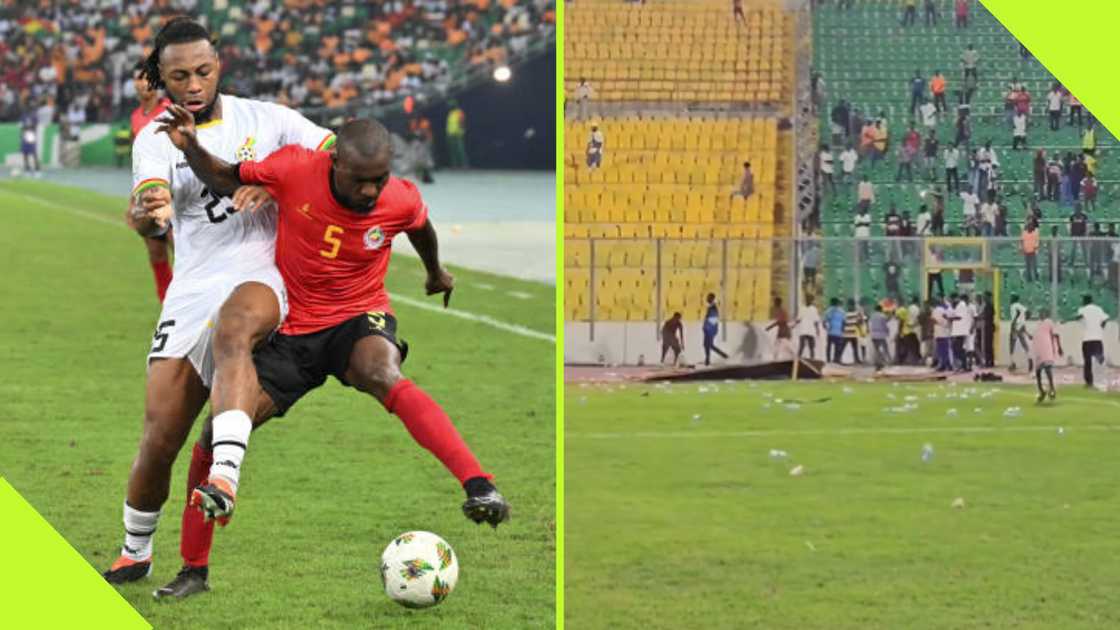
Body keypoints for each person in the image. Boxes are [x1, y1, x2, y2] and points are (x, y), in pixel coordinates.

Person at [155, 114, 511, 595]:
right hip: (295, 329)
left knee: (381, 371)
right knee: (218, 430)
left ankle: (478, 483)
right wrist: (190, 146)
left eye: (379, 180)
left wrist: (436, 272)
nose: (370, 193)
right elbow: (222, 176)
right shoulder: (294, 169)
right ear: (335, 161)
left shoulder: (398, 196)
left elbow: (419, 226)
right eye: (361, 181)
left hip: (357, 318)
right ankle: (193, 570)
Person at [101, 17, 341, 592]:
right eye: (179, 74)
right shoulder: (152, 137)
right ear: (161, 77)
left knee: (235, 328)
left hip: (263, 272)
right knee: (159, 439)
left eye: (203, 71)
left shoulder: (270, 119)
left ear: (219, 67)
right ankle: (135, 552)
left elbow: (335, 155)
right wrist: (149, 215)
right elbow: (150, 199)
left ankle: (226, 475)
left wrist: (281, 179)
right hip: (192, 287)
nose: (193, 83)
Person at [125, 60, 174, 303]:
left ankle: (193, 304)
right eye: (140, 78)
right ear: (134, 83)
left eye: (149, 77)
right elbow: (138, 163)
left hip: (172, 193)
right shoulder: (136, 117)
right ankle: (166, 303)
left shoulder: (170, 111)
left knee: (183, 251)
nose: (144, 83)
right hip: (146, 195)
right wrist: (131, 201)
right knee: (156, 252)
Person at [1066, 295, 1109, 388]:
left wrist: (1069, 319)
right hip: (1098, 338)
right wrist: (1101, 327)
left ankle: (1089, 381)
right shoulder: (1098, 309)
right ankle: (1101, 379)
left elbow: (1078, 316)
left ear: (1085, 301)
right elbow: (1105, 319)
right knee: (1099, 359)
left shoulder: (1083, 309)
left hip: (1087, 339)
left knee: (1087, 361)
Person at [1032, 309, 1061, 403]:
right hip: (1038, 350)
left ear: (1046, 314)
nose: (1040, 314)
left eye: (1042, 313)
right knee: (1038, 372)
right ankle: (1042, 391)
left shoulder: (1049, 322)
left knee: (1048, 369)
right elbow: (1035, 337)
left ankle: (1052, 389)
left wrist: (1059, 347)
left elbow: (1056, 335)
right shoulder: (1038, 324)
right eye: (1040, 313)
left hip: (1047, 349)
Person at [702, 293, 729, 366]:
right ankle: (723, 356)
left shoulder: (713, 307)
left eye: (708, 297)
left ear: (711, 298)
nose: (707, 299)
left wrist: (707, 327)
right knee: (708, 345)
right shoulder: (711, 307)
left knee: (708, 345)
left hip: (710, 329)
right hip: (709, 329)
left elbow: (714, 319)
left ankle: (708, 360)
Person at [1008, 294, 1032, 372]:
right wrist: (1025, 320)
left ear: (1013, 299)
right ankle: (1029, 358)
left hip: (1015, 326)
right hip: (1022, 326)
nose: (1010, 299)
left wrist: (1013, 327)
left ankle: (1012, 363)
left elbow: (1014, 317)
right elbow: (1028, 312)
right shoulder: (1021, 306)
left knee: (1012, 345)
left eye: (1011, 298)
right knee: (1024, 344)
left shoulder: (1013, 306)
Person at [795, 296, 822, 360]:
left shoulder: (810, 309)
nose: (808, 301)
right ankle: (799, 359)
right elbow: (799, 319)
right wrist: (817, 330)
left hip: (808, 330)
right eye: (808, 299)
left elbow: (816, 321)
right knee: (805, 346)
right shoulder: (805, 309)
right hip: (806, 330)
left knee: (809, 346)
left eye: (809, 300)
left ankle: (809, 359)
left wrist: (817, 330)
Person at [950, 293, 972, 371]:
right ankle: (963, 365)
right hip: (957, 331)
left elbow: (959, 317)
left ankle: (964, 365)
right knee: (957, 349)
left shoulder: (961, 305)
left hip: (960, 332)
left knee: (957, 349)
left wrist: (950, 318)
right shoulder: (957, 306)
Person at [932, 295, 953, 371]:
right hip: (945, 332)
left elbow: (933, 320)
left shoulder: (936, 310)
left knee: (941, 350)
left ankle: (944, 365)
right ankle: (947, 365)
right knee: (945, 350)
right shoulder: (946, 310)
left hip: (939, 332)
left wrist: (939, 323)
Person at [445, 101, 468, 168]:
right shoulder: (450, 113)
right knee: (452, 151)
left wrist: (462, 131)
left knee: (460, 150)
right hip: (450, 134)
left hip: (458, 134)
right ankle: (455, 165)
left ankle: (464, 165)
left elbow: (462, 122)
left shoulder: (459, 112)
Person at [869, 304, 891, 370]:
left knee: (876, 349)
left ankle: (877, 363)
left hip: (873, 335)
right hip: (881, 335)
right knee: (885, 348)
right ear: (881, 309)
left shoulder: (872, 316)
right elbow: (884, 325)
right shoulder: (882, 316)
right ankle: (887, 361)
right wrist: (887, 331)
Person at [824, 298, 846, 363]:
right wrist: (842, 330)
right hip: (838, 332)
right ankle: (836, 359)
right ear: (837, 303)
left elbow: (824, 321)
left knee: (829, 346)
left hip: (830, 332)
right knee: (837, 346)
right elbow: (844, 322)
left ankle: (828, 359)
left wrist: (826, 328)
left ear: (831, 303)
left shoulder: (828, 311)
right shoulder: (842, 311)